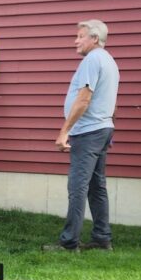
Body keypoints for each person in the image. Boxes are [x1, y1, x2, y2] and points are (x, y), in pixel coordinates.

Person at [44, 19, 119, 253]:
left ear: (94, 39)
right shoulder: (109, 61)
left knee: (78, 187)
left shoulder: (92, 59)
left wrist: (64, 131)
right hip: (102, 129)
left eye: (80, 36)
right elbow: (109, 101)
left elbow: (84, 99)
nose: (76, 41)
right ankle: (101, 238)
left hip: (88, 133)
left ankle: (69, 243)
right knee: (97, 186)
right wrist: (107, 126)